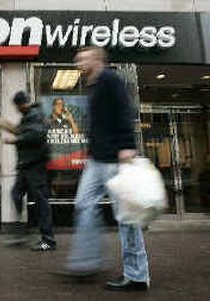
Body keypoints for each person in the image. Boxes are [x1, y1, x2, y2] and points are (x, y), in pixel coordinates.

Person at [58, 47, 150, 291]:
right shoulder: (94, 84)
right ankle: (87, 262)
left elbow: (124, 111)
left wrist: (127, 146)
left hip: (115, 160)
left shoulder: (110, 80)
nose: (78, 61)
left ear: (96, 60)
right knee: (83, 205)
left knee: (127, 217)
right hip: (96, 160)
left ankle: (137, 275)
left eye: (83, 58)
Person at [0, 91, 56, 251]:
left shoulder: (35, 114)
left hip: (35, 165)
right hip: (25, 165)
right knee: (16, 194)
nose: (17, 108)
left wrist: (15, 139)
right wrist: (6, 126)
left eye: (18, 105)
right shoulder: (27, 116)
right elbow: (23, 131)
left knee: (41, 201)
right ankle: (22, 233)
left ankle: (48, 240)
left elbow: (38, 134)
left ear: (22, 104)